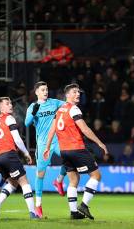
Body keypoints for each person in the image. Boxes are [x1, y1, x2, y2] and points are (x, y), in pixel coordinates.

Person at [44, 83, 109, 220]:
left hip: (64, 151)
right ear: (67, 95)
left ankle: (74, 212)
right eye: (74, 92)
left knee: (73, 180)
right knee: (96, 175)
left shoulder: (60, 110)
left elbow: (52, 130)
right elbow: (85, 129)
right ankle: (84, 205)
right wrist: (99, 142)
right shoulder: (74, 109)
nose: (77, 94)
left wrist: (47, 147)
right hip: (77, 148)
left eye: (78, 92)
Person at [0, 97, 39, 219]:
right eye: (7, 104)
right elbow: (17, 139)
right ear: (1, 107)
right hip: (8, 154)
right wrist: (26, 153)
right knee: (24, 182)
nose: (10, 105)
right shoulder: (9, 118)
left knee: (12, 183)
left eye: (11, 103)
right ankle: (33, 213)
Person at [24, 81, 67, 217]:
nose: (46, 92)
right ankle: (38, 206)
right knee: (40, 175)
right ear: (36, 92)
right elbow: (26, 123)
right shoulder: (33, 106)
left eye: (47, 89)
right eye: (43, 90)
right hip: (43, 144)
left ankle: (59, 180)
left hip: (57, 140)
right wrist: (34, 113)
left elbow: (68, 106)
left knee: (70, 157)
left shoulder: (54, 102)